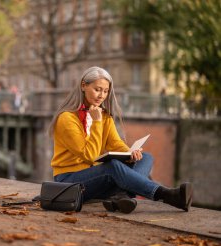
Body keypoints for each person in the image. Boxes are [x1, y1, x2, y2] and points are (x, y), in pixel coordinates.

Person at [49, 66, 193, 214]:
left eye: (105, 91)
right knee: (112, 166)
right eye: (97, 89)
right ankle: (167, 195)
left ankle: (121, 196)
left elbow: (115, 143)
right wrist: (96, 122)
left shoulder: (104, 116)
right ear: (83, 86)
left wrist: (130, 153)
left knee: (145, 158)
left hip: (96, 180)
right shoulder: (67, 118)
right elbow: (89, 155)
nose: (102, 95)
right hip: (69, 182)